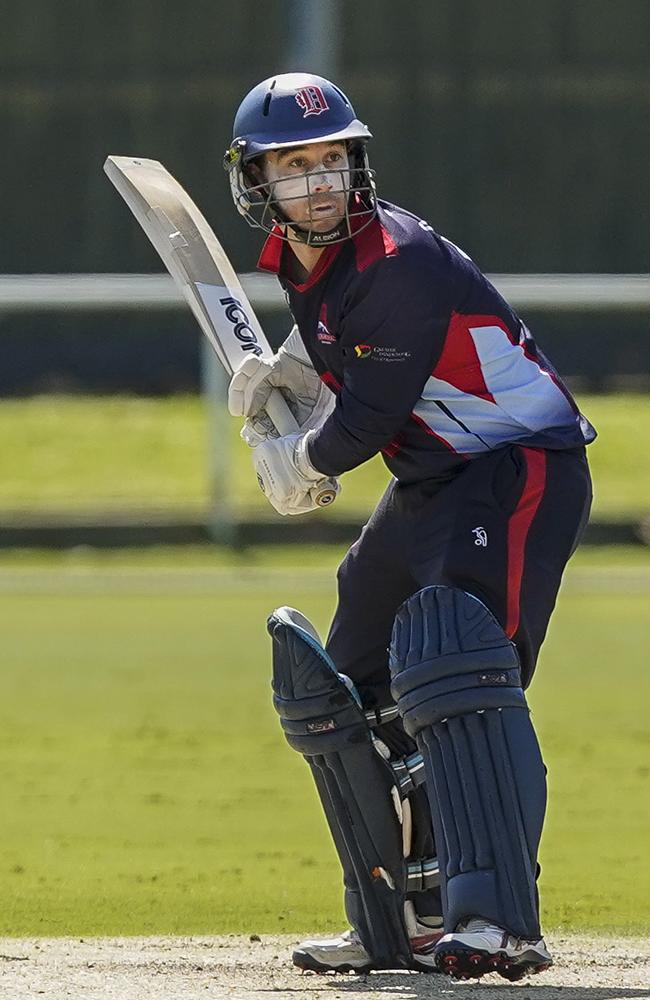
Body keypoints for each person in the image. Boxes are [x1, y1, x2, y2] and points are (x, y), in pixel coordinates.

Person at [224, 73, 595, 982]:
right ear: (258, 182)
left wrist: (300, 459)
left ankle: (499, 921)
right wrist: (293, 381)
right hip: (434, 476)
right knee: (355, 660)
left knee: (460, 669)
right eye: (295, 165)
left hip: (515, 469)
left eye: (332, 160)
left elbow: (365, 423)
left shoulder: (397, 262)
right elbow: (342, 369)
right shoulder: (302, 262)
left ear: (358, 164)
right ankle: (404, 916)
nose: (319, 181)